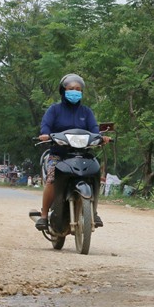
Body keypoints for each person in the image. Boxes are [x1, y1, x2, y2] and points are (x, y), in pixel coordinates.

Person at [35, 73, 110, 230]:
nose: (75, 92)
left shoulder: (86, 112)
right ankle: (43, 215)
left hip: (83, 154)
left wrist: (101, 138)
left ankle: (93, 211)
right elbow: (46, 126)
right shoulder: (54, 110)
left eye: (78, 89)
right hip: (59, 154)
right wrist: (44, 135)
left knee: (95, 174)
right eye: (71, 89)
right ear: (63, 91)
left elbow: (95, 130)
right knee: (51, 180)